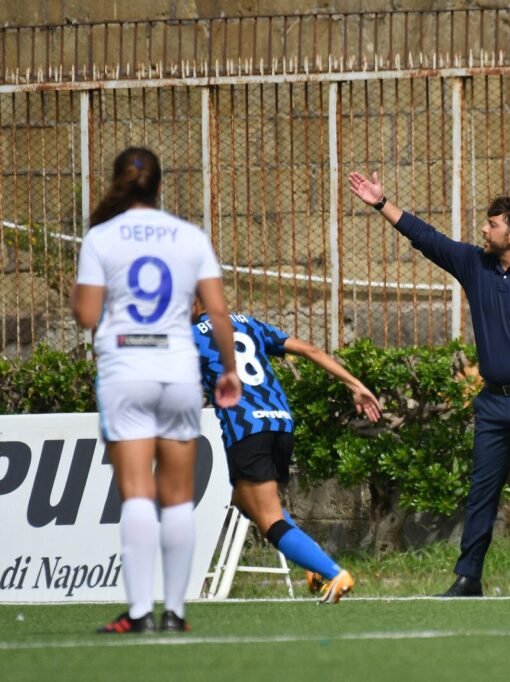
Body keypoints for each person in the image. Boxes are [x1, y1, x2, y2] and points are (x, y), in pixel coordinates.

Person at [348, 171, 510, 597]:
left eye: (492, 224)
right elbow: (428, 237)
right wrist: (380, 202)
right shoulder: (474, 265)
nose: (483, 228)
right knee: (481, 491)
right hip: (494, 404)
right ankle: (468, 578)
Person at [71, 146, 241, 634]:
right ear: (161, 185)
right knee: (177, 497)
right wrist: (228, 369)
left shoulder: (101, 237)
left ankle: (141, 611)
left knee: (138, 495)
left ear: (116, 181)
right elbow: (218, 313)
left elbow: (86, 316)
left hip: (126, 370)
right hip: (178, 372)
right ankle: (177, 614)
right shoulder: (190, 237)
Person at [192, 304, 383, 603]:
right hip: (281, 422)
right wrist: (355, 385)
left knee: (268, 519)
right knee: (245, 500)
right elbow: (311, 351)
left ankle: (332, 573)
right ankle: (314, 567)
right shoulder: (247, 323)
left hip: (247, 428)